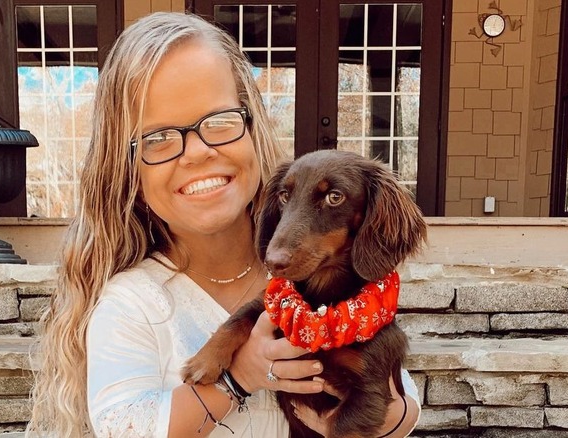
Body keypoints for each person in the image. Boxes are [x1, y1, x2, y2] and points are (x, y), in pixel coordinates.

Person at [27, 11, 420, 438]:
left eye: (219, 122)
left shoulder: (318, 277)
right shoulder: (133, 305)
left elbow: (402, 400)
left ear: (253, 128)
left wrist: (381, 419)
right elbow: (126, 428)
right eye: (158, 137)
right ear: (127, 171)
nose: (196, 153)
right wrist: (239, 376)